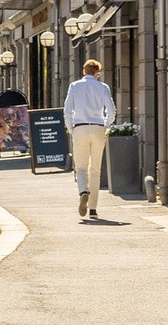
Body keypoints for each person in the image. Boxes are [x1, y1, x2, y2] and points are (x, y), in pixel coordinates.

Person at [63, 58, 117, 219]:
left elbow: (67, 110)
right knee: (95, 169)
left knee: (81, 167)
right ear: (97, 73)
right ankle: (93, 209)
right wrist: (105, 125)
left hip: (79, 127)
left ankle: (83, 191)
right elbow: (112, 111)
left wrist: (71, 128)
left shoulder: (74, 86)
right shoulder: (103, 87)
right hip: (98, 127)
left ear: (83, 71)